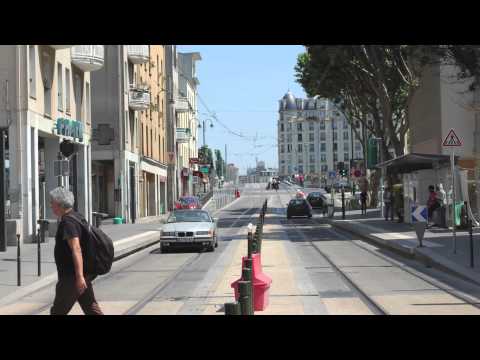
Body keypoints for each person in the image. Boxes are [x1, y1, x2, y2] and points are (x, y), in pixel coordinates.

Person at [49, 187, 103, 315]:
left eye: (52, 203)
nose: (51, 206)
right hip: (82, 274)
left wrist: (79, 277)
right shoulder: (77, 216)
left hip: (71, 277)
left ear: (60, 204)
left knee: (57, 312)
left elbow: (76, 248)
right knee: (92, 309)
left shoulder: (68, 222)